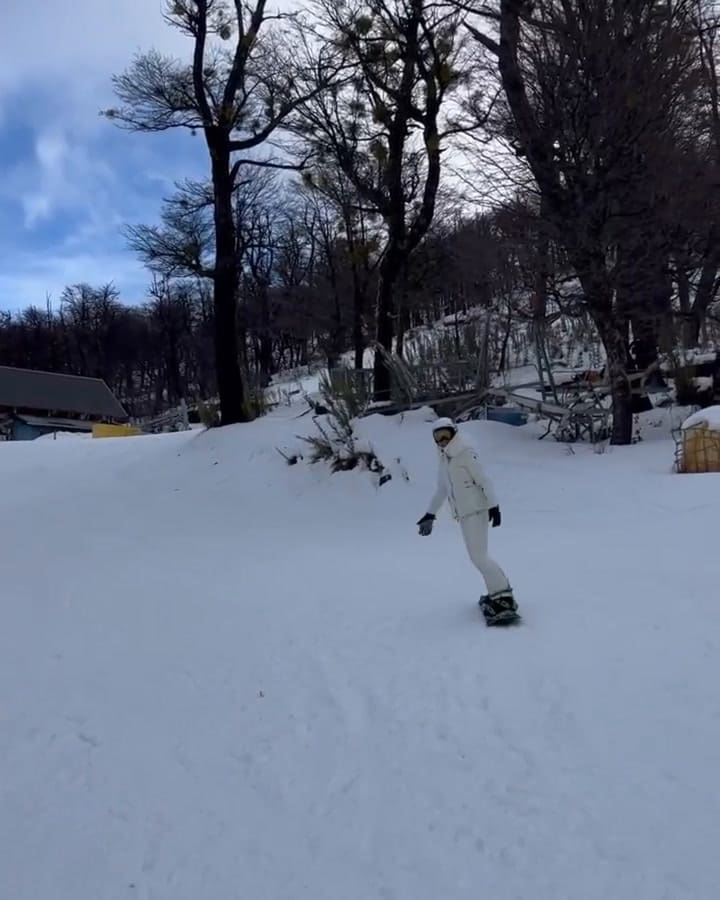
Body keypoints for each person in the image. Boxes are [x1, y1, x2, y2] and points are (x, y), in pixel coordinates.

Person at [416, 417, 519, 624]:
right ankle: (497, 593)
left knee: (479, 557)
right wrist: (430, 514)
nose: (442, 440)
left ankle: (503, 595)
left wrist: (494, 506)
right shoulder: (445, 461)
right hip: (464, 514)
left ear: (454, 433)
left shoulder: (465, 454)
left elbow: (484, 480)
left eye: (446, 434)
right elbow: (442, 490)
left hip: (477, 511)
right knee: (477, 557)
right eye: (438, 436)